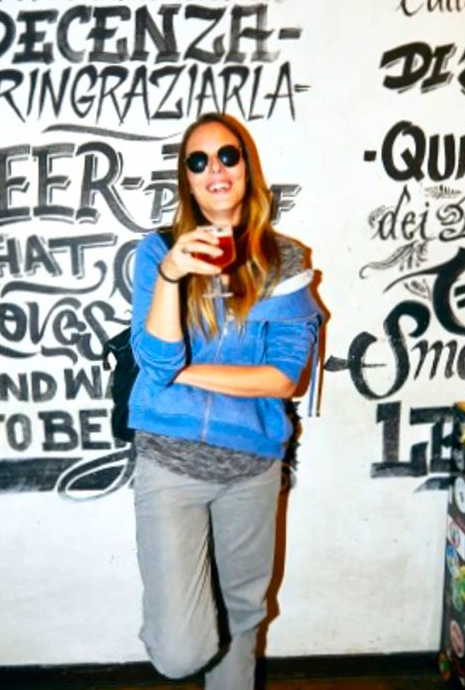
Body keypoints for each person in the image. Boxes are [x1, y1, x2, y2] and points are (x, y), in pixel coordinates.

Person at [129, 112, 323, 690]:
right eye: (198, 161)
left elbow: (285, 378)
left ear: (247, 169)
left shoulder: (283, 262)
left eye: (228, 156)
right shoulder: (157, 252)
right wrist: (171, 275)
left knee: (244, 619)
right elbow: (155, 362)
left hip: (253, 468)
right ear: (186, 180)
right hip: (170, 464)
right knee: (181, 650)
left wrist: (186, 371)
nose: (215, 169)